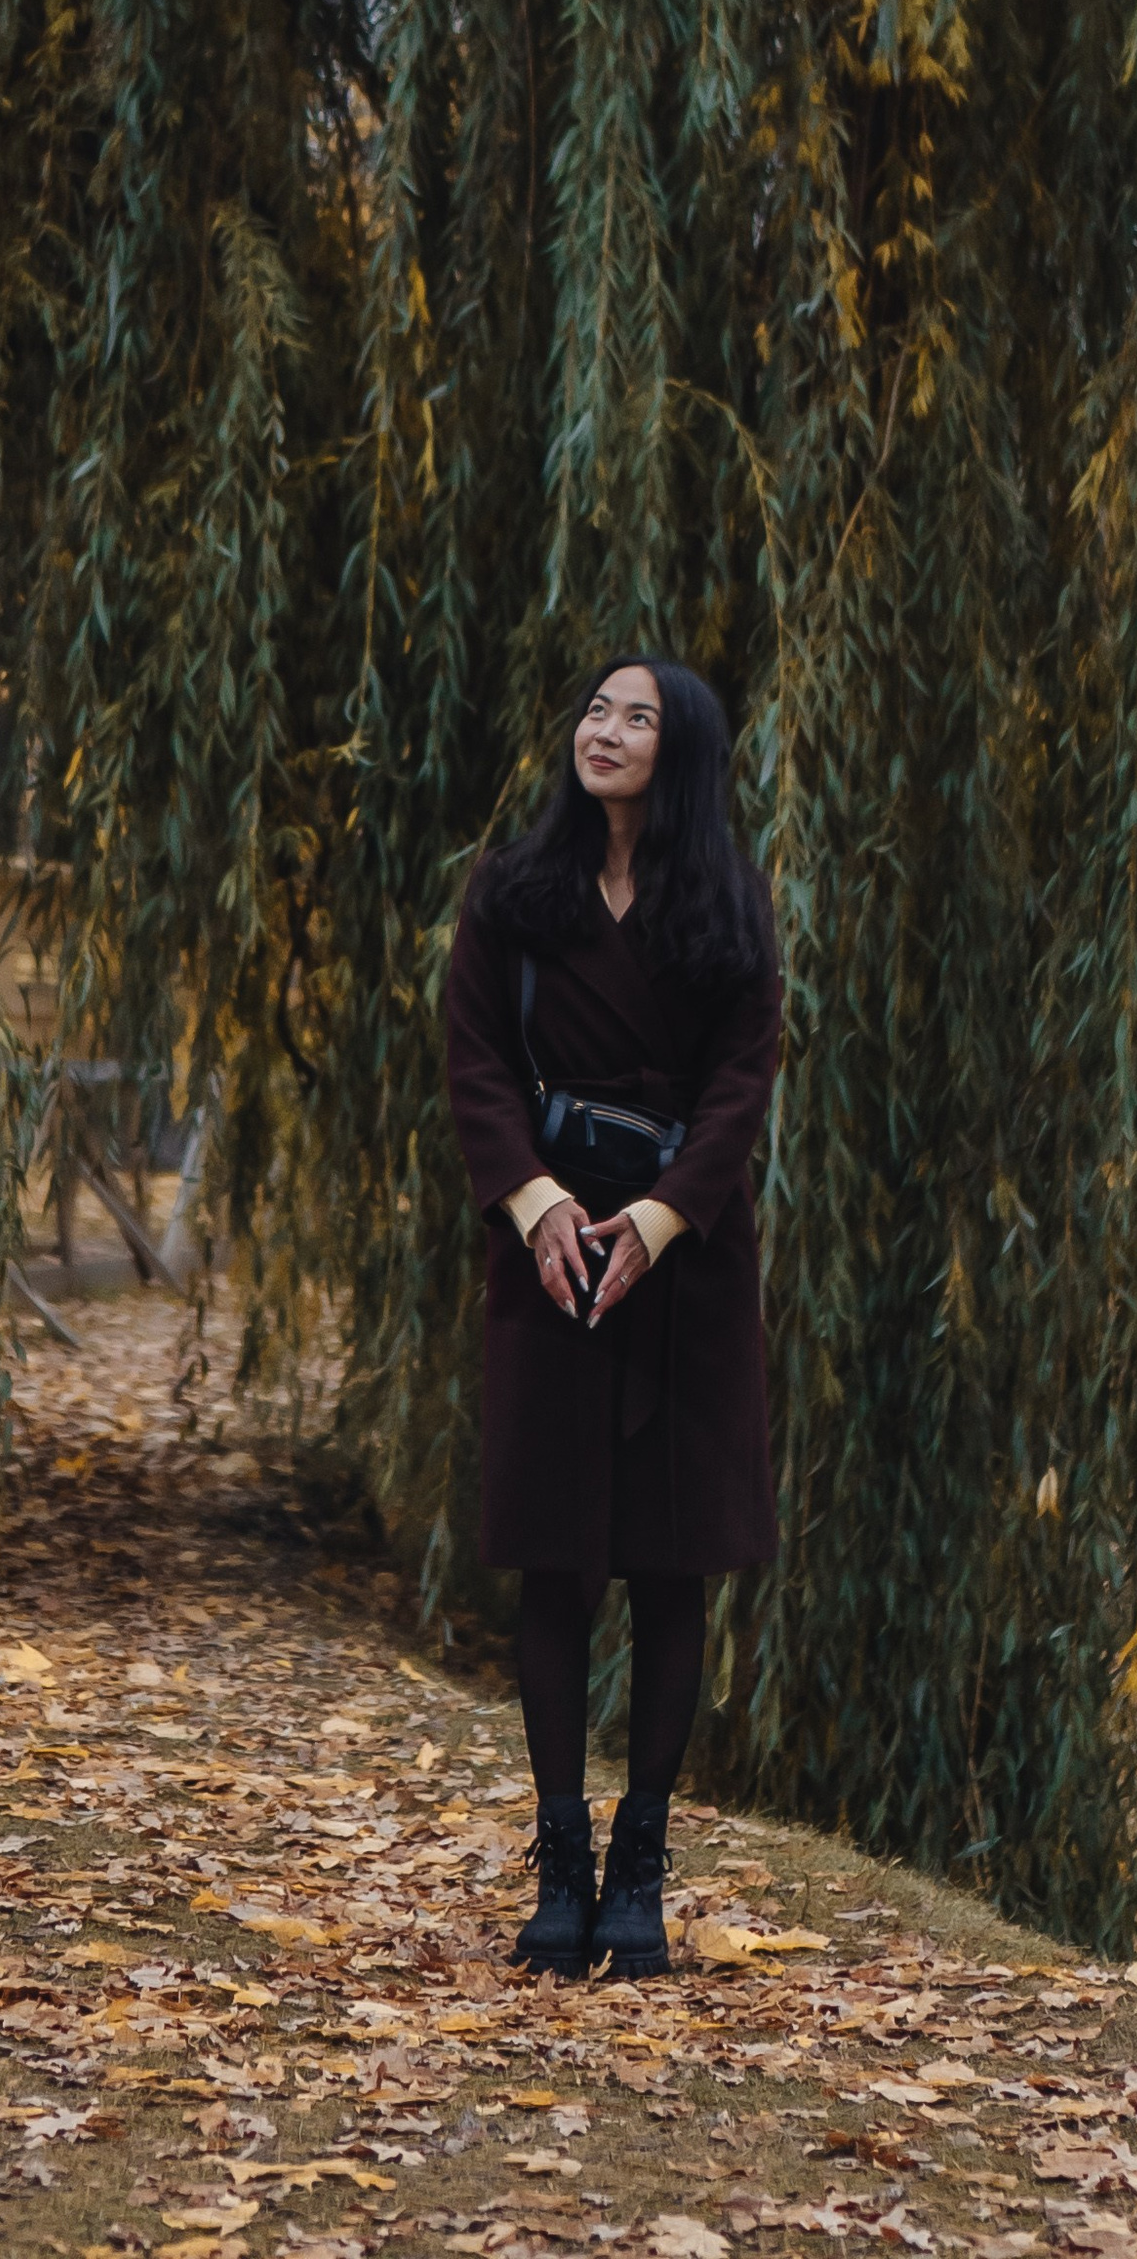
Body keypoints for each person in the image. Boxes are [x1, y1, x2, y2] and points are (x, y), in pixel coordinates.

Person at [444, 653, 780, 1980]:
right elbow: (474, 1056)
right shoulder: (514, 895)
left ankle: (642, 1862)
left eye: (637, 717)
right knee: (553, 1562)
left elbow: (744, 1080)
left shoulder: (727, 906)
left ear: (679, 750)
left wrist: (658, 1222)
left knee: (669, 1561)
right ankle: (562, 1855)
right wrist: (531, 1207)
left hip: (682, 1258)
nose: (607, 730)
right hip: (549, 1250)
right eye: (593, 707)